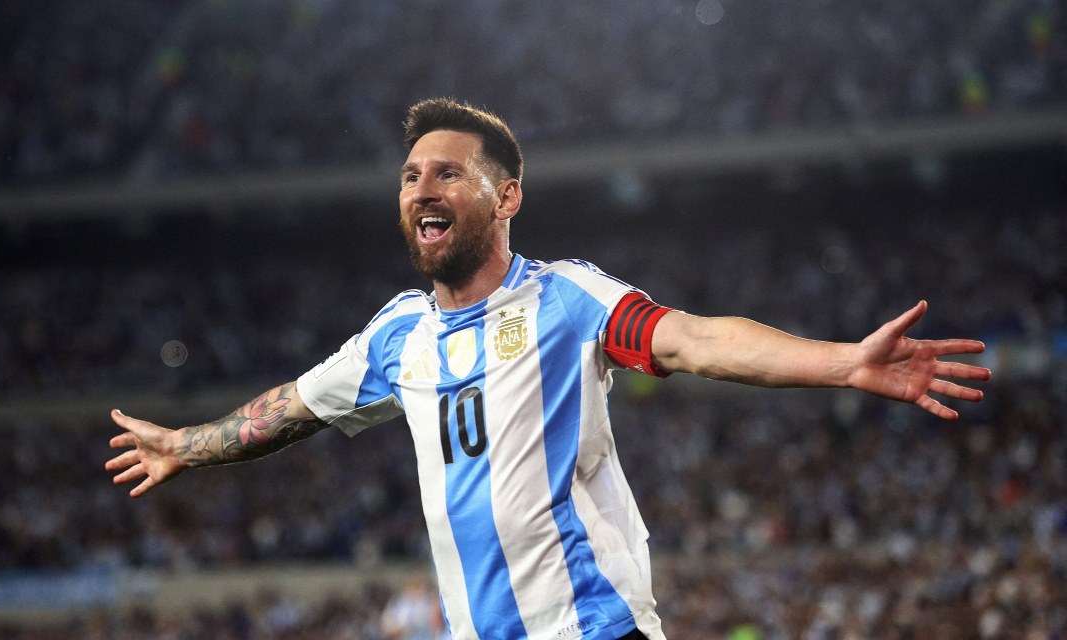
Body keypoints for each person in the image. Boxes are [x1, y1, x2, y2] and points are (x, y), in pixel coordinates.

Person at [106, 98, 991, 640]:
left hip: (593, 630)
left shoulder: (565, 299)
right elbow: (290, 408)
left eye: (447, 174)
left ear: (507, 198)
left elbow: (695, 339)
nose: (421, 189)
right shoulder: (394, 338)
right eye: (411, 175)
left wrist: (843, 363)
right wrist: (189, 443)